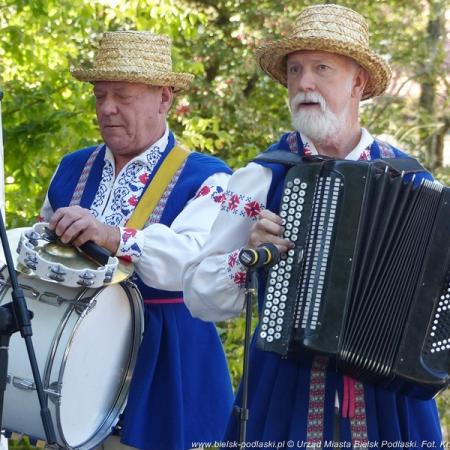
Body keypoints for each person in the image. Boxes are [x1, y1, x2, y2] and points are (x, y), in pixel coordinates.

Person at [183, 4, 443, 449]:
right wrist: (244, 259)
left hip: (390, 400)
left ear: (357, 82)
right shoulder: (262, 177)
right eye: (296, 70)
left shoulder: (414, 181)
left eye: (322, 68)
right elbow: (198, 294)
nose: (304, 83)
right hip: (286, 390)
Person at [38, 30, 234, 450]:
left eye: (123, 95)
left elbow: (194, 265)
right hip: (74, 368)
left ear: (164, 98)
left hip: (166, 366)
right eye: (100, 95)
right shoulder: (71, 169)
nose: (107, 108)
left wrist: (114, 236)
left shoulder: (209, 177)